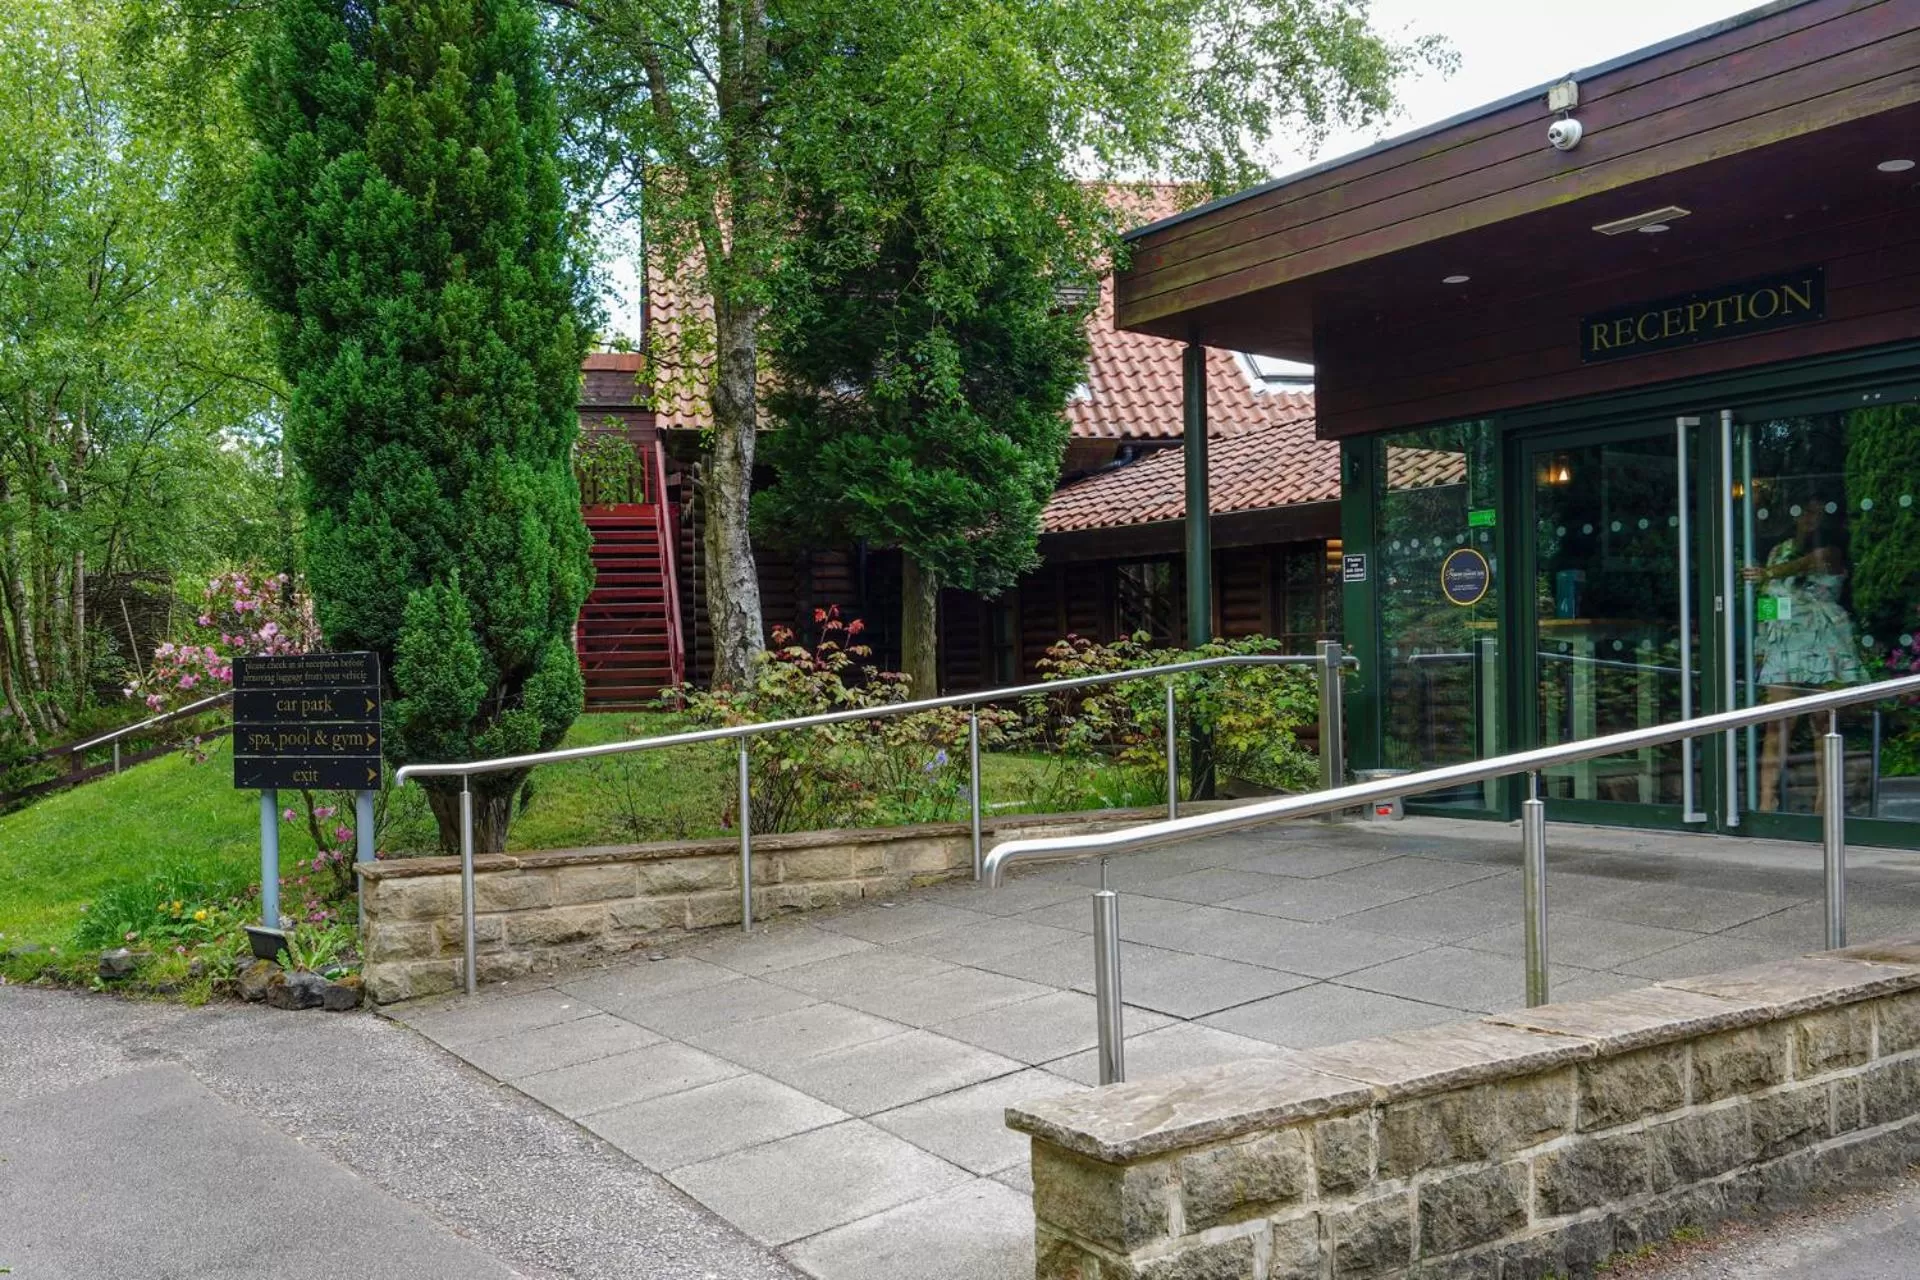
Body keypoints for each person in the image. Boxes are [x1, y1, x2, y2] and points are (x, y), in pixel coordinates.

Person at [1741, 498, 1866, 812]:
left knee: (1823, 723)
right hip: (1784, 644)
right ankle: (1766, 799)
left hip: (1823, 644)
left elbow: (1810, 562)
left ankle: (1824, 802)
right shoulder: (1779, 550)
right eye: (1807, 511)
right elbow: (1768, 601)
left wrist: (1767, 572)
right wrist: (1762, 643)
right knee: (1777, 723)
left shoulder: (1831, 551)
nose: (1812, 518)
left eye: (1820, 513)